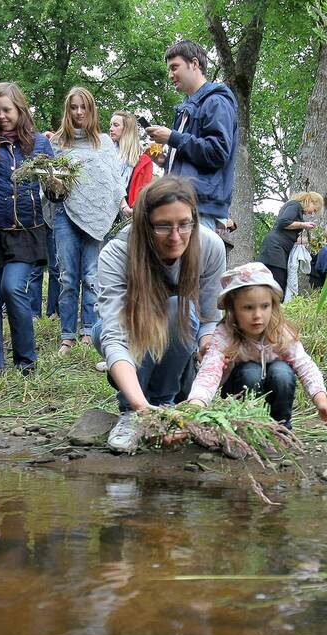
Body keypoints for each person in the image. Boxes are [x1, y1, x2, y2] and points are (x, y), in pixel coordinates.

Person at [94, 176, 227, 454]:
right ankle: (133, 412)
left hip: (180, 331)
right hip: (128, 332)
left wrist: (207, 343)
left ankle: (165, 405)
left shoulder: (210, 247)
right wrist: (140, 407)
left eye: (184, 224)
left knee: (180, 307)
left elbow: (209, 317)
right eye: (163, 226)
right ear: (144, 224)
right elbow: (114, 336)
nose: (176, 236)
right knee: (146, 319)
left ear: (194, 218)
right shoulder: (117, 252)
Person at [0, 81, 57, 390]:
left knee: (13, 290)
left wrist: (58, 185)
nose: (1, 116)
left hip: (25, 233)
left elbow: (56, 191)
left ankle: (26, 363)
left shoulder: (40, 143)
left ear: (20, 109)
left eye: (6, 110)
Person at [187, 262, 327, 430]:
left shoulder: (280, 333)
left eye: (264, 306)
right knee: (250, 373)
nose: (257, 315)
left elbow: (306, 366)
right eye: (248, 308)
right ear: (233, 309)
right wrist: (195, 408)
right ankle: (241, 427)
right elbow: (209, 372)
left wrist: (321, 402)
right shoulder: (225, 334)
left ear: (273, 305)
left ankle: (280, 428)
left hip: (274, 383)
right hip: (239, 388)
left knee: (282, 372)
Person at [50, 87, 123, 353]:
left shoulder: (102, 142)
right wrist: (53, 183)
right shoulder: (57, 143)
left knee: (92, 276)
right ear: (67, 110)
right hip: (65, 214)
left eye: (84, 107)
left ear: (91, 110)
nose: (79, 112)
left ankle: (87, 331)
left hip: (95, 218)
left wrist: (123, 205)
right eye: (74, 107)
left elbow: (114, 181)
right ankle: (67, 334)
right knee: (68, 276)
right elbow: (48, 183)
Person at [144, 40, 238, 231]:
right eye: (169, 69)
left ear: (194, 63)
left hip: (198, 208)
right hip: (179, 203)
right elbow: (192, 155)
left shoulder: (216, 102)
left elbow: (217, 152)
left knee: (194, 262)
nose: (171, 75)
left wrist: (172, 138)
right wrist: (164, 160)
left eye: (174, 67)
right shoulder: (187, 109)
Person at [258, 192, 323, 293]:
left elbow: (287, 232)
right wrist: (303, 224)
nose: (312, 213)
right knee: (278, 281)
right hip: (275, 247)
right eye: (314, 209)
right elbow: (283, 222)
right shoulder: (295, 205)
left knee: (279, 282)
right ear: (310, 201)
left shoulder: (296, 209)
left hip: (278, 246)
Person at [110, 110, 154, 217]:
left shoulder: (144, 162)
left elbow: (142, 194)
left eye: (116, 125)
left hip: (126, 217)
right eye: (111, 125)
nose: (111, 129)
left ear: (127, 130)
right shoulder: (105, 153)